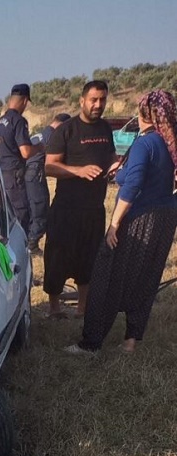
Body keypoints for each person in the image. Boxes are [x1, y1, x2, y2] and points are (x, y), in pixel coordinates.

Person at [66, 89, 177, 355]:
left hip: (139, 219)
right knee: (146, 278)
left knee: (106, 276)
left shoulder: (144, 143)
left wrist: (114, 224)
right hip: (165, 219)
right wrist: (124, 170)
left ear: (145, 114)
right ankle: (130, 341)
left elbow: (134, 185)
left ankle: (90, 343)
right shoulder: (168, 142)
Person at [43, 80, 119, 318]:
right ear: (82, 101)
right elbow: (49, 167)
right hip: (66, 209)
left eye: (102, 99)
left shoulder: (105, 129)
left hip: (94, 209)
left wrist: (115, 165)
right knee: (56, 258)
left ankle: (83, 308)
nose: (98, 104)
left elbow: (110, 155)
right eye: (94, 99)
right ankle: (54, 308)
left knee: (90, 260)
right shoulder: (66, 130)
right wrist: (78, 170)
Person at [0, 84, 43, 234]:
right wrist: (39, 147)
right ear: (25, 101)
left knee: (1, 220)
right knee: (20, 220)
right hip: (14, 181)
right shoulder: (18, 121)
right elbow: (25, 152)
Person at [24, 113, 71, 254]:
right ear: (61, 125)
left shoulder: (42, 133)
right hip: (35, 173)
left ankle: (29, 241)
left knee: (32, 208)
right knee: (41, 208)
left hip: (28, 173)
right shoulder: (53, 136)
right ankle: (32, 244)